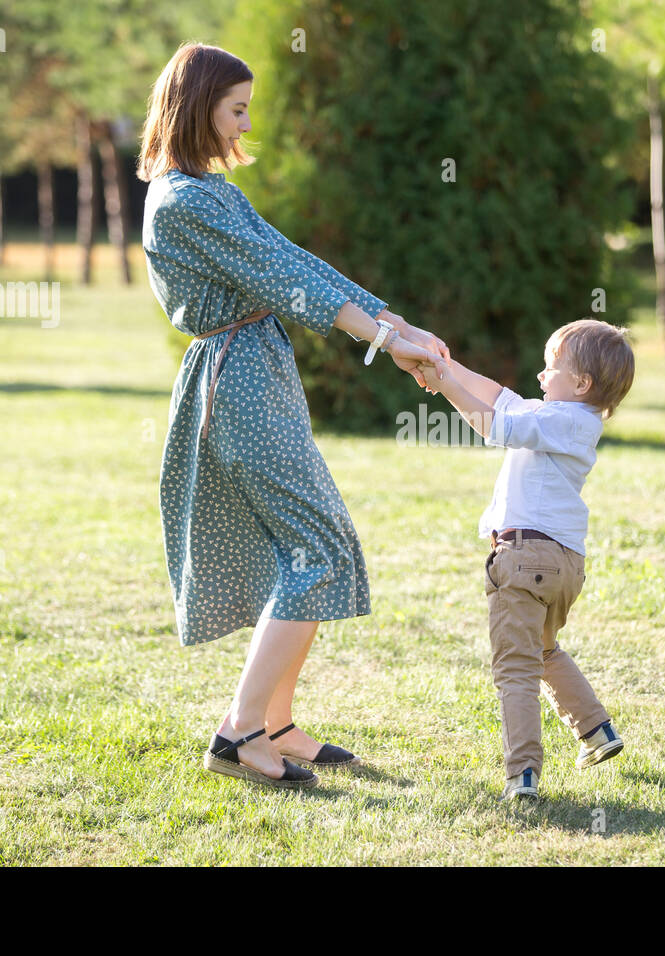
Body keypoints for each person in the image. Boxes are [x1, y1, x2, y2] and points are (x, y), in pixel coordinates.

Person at [137, 42, 450, 789]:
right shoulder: (183, 202)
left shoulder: (209, 190)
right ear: (196, 108)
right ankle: (238, 731)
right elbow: (281, 280)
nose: (247, 121)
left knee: (315, 542)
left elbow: (292, 257)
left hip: (257, 369)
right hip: (235, 378)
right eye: (236, 108)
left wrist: (389, 320)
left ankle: (276, 722)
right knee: (315, 548)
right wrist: (384, 341)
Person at [417, 318, 635, 800]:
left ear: (581, 383)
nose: (540, 375)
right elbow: (499, 397)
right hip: (561, 565)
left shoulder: (566, 421)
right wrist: (449, 367)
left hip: (524, 557)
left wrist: (446, 385)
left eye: (550, 367)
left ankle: (523, 774)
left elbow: (496, 425)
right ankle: (596, 732)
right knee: (541, 649)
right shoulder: (565, 415)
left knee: (515, 667)